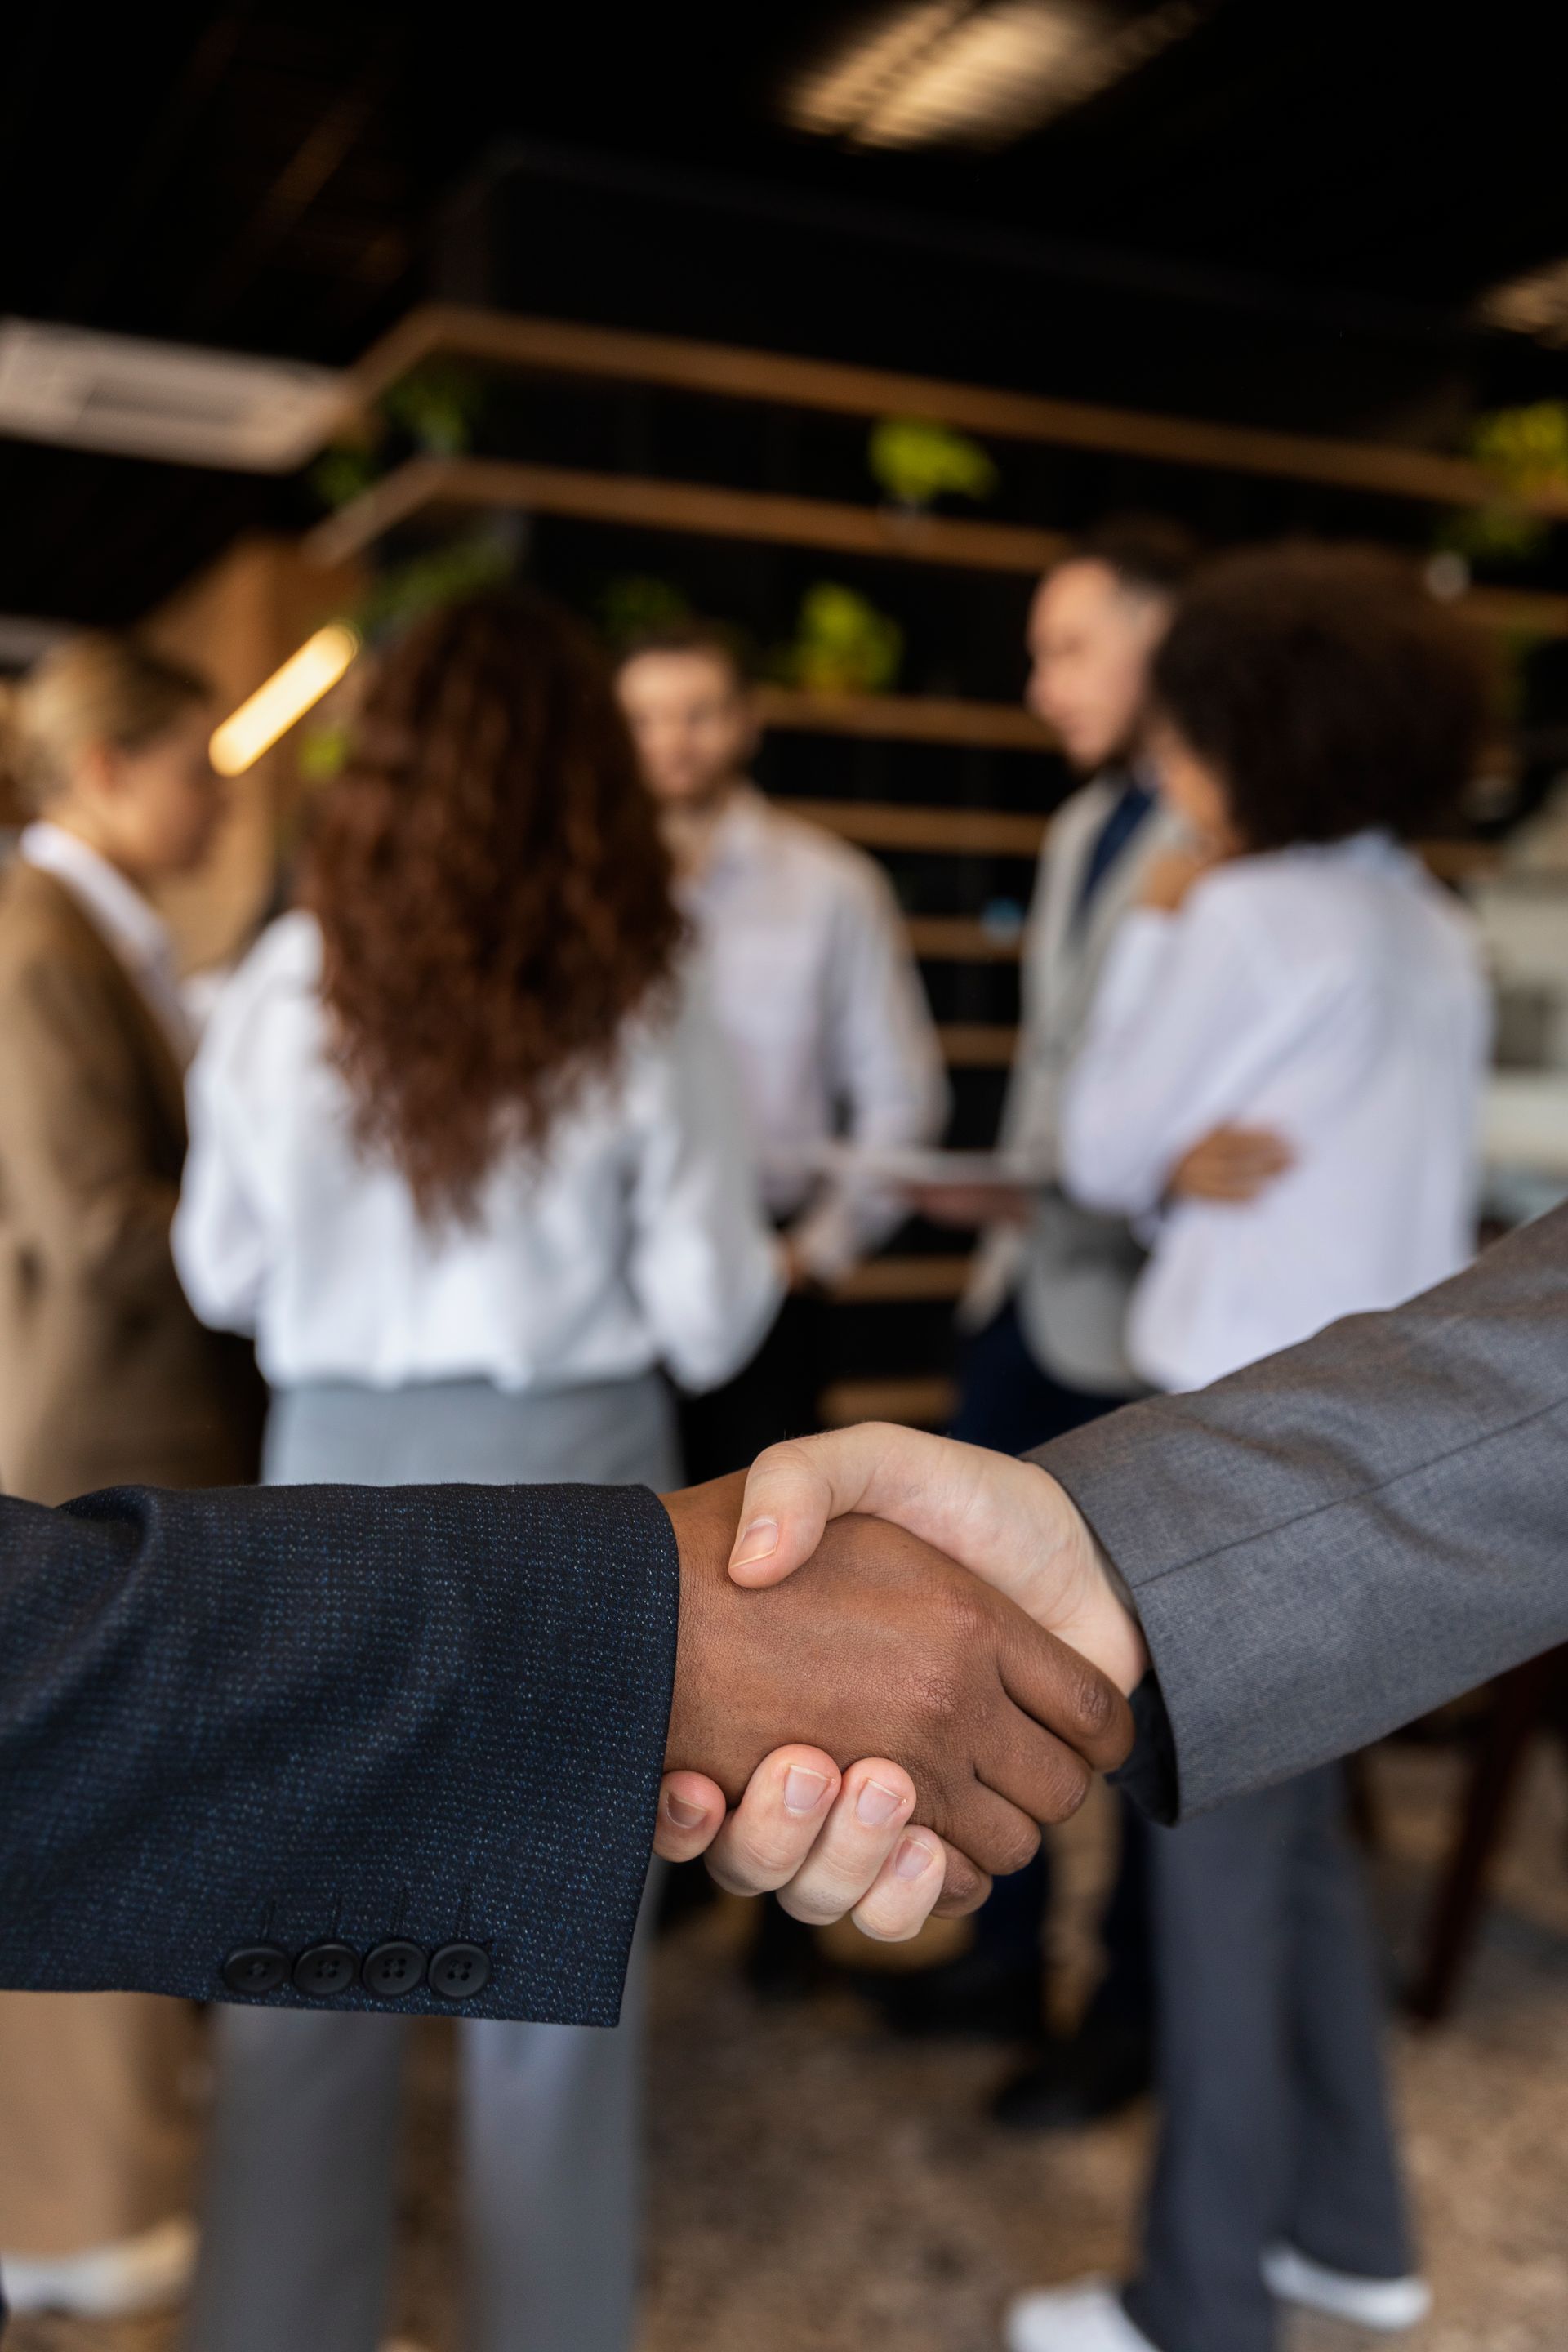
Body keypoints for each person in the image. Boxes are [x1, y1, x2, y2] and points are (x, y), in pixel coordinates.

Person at [669, 546, 1502, 2352]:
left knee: (1210, 1888)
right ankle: (1353, 2232)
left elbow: (1109, 1147)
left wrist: (1174, 1007)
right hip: (1394, 1446)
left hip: (1235, 1449)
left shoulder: (1235, 911)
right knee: (1299, 1868)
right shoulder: (1423, 920)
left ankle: (1201, 2303)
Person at [167, 588, 781, 2352]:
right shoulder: (646, 980)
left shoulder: (288, 980)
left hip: (326, 1492)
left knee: (294, 1970)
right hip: (579, 1498)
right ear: (592, 779)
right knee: (550, 1992)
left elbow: (221, 1276)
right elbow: (718, 1314)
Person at [883, 521, 1230, 2107]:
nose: (1041, 687)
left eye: (1069, 649)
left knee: (1158, 1688)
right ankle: (1001, 1954)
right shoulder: (1088, 820)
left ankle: (1137, 2016)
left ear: (1170, 642)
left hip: (1154, 1320)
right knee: (963, 1638)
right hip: (1026, 1289)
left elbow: (1229, 1127)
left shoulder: (1250, 842)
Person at [0, 635, 263, 2321]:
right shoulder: (36, 939)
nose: (220, 795)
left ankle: (103, 2185)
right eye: (195, 764)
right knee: (79, 1826)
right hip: (94, 1425)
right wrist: (282, 1244)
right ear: (105, 770)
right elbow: (91, 1230)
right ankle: (76, 2214)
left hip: (136, 1416)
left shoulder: (106, 927)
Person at [615, 619, 947, 1477]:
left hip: (771, 1264)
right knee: (606, 1535)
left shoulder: (831, 886)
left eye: (699, 714)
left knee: (760, 1550)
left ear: (747, 721)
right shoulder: (574, 886)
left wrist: (820, 1250)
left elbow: (902, 1092)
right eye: (644, 719)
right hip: (606, 1266)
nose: (672, 744)